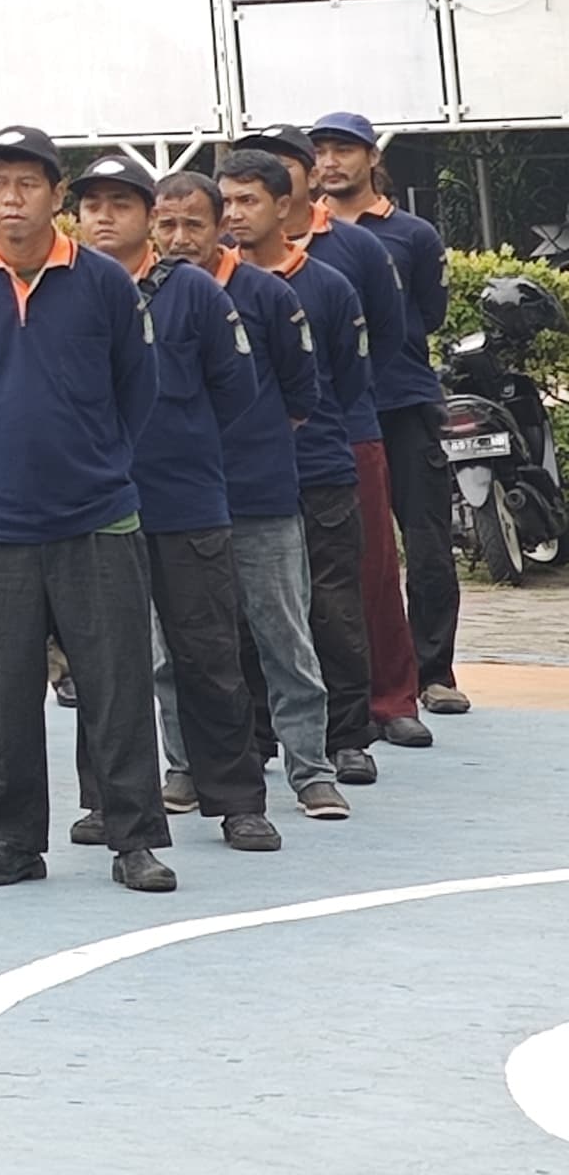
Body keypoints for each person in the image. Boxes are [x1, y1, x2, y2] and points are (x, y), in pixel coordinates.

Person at [0, 124, 171, 894]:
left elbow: (138, 388)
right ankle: (13, 841)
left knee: (117, 684)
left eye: (28, 185)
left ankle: (134, 838)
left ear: (57, 197)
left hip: (96, 515)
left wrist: (95, 463)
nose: (12, 200)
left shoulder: (102, 282)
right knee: (0, 692)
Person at [70, 153, 274, 853]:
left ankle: (236, 799)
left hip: (185, 501)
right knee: (105, 662)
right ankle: (106, 799)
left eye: (120, 204)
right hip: (96, 507)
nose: (104, 217)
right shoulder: (67, 289)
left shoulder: (193, 293)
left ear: (148, 219)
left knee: (209, 655)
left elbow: (237, 390)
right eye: (91, 204)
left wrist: (177, 442)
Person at [156, 162, 348, 822]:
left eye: (194, 223)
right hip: (172, 504)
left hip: (258, 496)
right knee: (171, 650)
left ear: (221, 227)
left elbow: (303, 391)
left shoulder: (266, 295)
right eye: (167, 223)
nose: (179, 237)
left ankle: (312, 771)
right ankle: (182, 769)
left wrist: (248, 441)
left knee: (284, 639)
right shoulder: (138, 296)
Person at [222, 133, 382, 783]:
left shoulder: (330, 284)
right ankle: (256, 738)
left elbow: (347, 379)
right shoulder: (210, 287)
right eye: (226, 201)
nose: (233, 215)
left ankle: (347, 737)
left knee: (331, 607)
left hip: (318, 468)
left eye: (247, 200)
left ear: (283, 203)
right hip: (241, 480)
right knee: (245, 619)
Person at [315, 112, 462, 722]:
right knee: (344, 555)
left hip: (402, 403)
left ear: (372, 157)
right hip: (332, 415)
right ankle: (350, 680)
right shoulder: (304, 234)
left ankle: (434, 674)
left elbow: (426, 314)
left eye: (343, 150)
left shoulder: (412, 235)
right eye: (320, 150)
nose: (330, 162)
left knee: (425, 543)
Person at [297, 158, 426, 749]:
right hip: (257, 447)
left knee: (369, 570)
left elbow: (387, 333)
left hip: (347, 430)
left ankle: (393, 698)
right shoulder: (226, 256)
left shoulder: (354, 248)